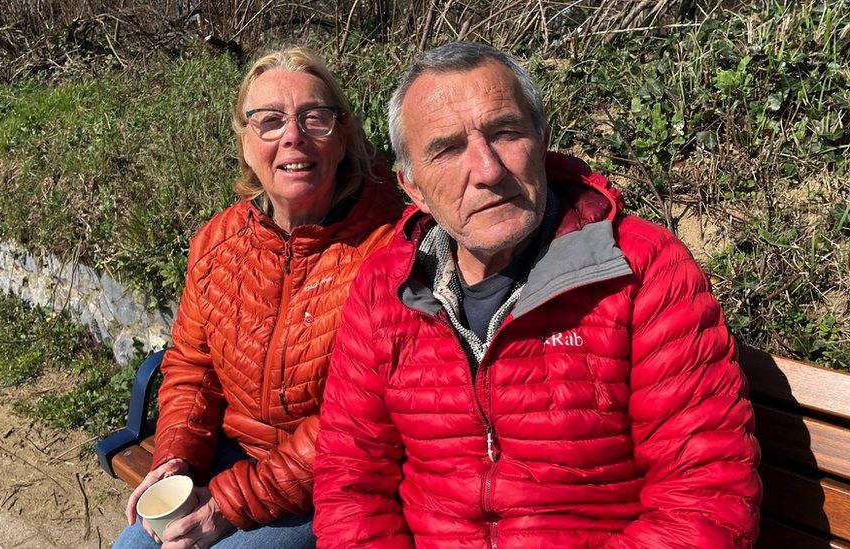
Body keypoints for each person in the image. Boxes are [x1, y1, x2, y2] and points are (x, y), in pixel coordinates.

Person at [313, 41, 761, 548]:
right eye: (448, 149)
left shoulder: (642, 271)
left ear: (542, 140)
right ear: (412, 186)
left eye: (505, 132)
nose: (486, 170)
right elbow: (350, 482)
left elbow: (706, 498)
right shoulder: (384, 290)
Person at [114, 47, 404, 549]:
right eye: (269, 121)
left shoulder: (390, 250)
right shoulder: (217, 242)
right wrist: (176, 456)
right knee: (133, 545)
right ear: (246, 145)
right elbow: (191, 366)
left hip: (327, 483)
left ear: (343, 139)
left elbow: (359, 420)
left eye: (315, 117)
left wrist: (228, 506)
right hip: (231, 456)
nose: (293, 134)